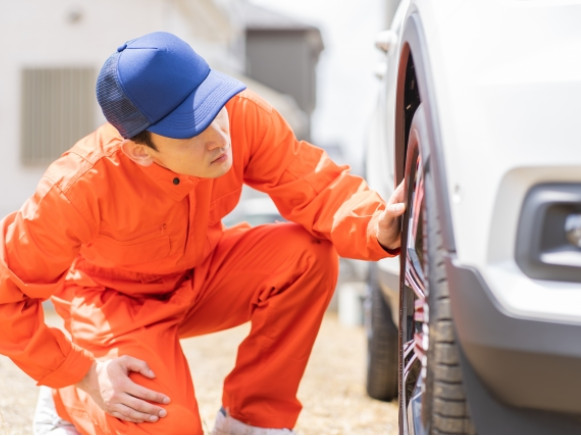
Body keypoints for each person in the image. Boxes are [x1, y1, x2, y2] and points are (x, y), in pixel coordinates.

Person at [0, 31, 405, 435]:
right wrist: (80, 372)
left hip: (200, 274)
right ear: (139, 151)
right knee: (162, 424)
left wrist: (374, 224)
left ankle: (250, 423)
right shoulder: (77, 186)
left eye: (213, 108)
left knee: (307, 255)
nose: (218, 138)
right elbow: (5, 297)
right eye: (190, 129)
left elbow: (313, 184)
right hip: (112, 301)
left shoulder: (240, 115)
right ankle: (67, 400)